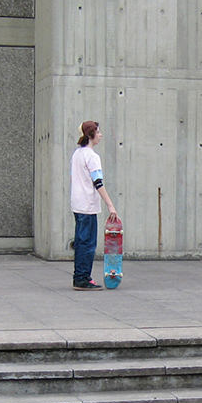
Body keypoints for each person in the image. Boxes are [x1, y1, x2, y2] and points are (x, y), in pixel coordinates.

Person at [69, 120, 118, 290]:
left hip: (77, 204)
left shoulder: (77, 154)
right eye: (98, 132)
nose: (100, 135)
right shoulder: (92, 157)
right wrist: (110, 205)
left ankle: (79, 276)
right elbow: (98, 183)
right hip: (88, 205)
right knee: (88, 244)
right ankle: (82, 278)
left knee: (81, 242)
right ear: (91, 135)